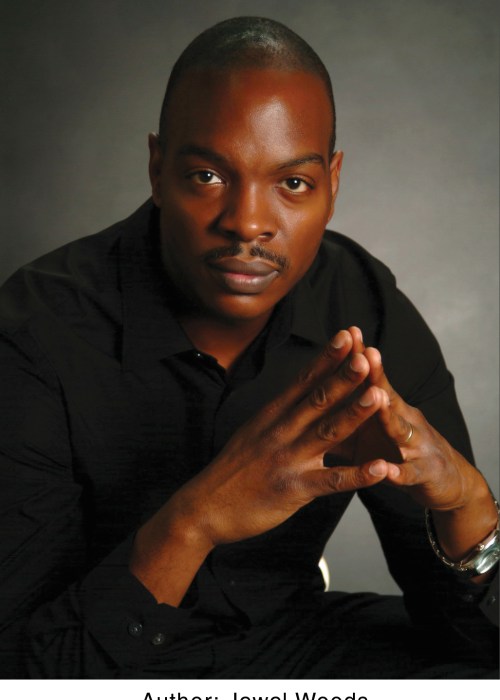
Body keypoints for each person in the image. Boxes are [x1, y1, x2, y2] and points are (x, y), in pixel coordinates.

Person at [0, 16, 498, 680]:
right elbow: (28, 676)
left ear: (332, 183)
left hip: (291, 650)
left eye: (292, 183)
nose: (248, 223)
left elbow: (467, 634)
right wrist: (198, 519)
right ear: (156, 169)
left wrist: (466, 503)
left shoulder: (361, 301)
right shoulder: (37, 332)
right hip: (108, 665)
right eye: (208, 175)